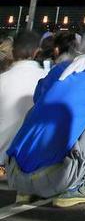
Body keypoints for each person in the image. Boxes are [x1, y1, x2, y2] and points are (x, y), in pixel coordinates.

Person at [5, 28, 85, 207]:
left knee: (40, 107)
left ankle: (28, 190)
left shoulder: (61, 69)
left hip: (16, 175)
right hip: (57, 178)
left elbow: (37, 98)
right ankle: (77, 186)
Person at [0, 31, 47, 167]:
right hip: (31, 164)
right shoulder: (48, 79)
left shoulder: (2, 79)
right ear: (37, 52)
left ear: (13, 51)